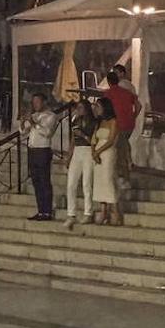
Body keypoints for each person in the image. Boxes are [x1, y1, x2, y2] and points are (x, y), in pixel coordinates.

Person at [20, 93, 58, 221]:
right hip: (32, 150)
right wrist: (22, 122)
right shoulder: (34, 116)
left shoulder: (51, 116)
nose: (35, 104)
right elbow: (24, 131)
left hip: (43, 151)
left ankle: (47, 211)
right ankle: (40, 210)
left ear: (44, 102)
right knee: (36, 182)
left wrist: (34, 123)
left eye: (37, 102)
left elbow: (47, 133)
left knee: (44, 181)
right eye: (33, 102)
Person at [102, 71, 140, 190]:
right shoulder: (127, 92)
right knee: (123, 147)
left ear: (108, 82)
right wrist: (133, 116)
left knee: (119, 152)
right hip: (129, 124)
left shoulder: (108, 94)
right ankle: (126, 168)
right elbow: (139, 106)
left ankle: (123, 177)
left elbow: (104, 110)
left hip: (117, 125)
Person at [65, 99, 97, 231]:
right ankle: (71, 213)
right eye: (78, 108)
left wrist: (83, 135)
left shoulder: (93, 122)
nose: (78, 110)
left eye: (81, 108)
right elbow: (73, 139)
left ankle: (88, 212)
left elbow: (93, 140)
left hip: (88, 150)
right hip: (77, 151)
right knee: (71, 183)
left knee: (86, 183)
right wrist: (69, 155)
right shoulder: (75, 121)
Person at [90, 97, 122, 225]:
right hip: (97, 152)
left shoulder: (113, 121)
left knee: (108, 180)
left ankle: (115, 211)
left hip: (108, 152)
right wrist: (93, 151)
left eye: (98, 106)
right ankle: (103, 211)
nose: (96, 109)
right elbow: (94, 138)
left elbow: (111, 140)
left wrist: (98, 151)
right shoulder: (99, 122)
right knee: (99, 182)